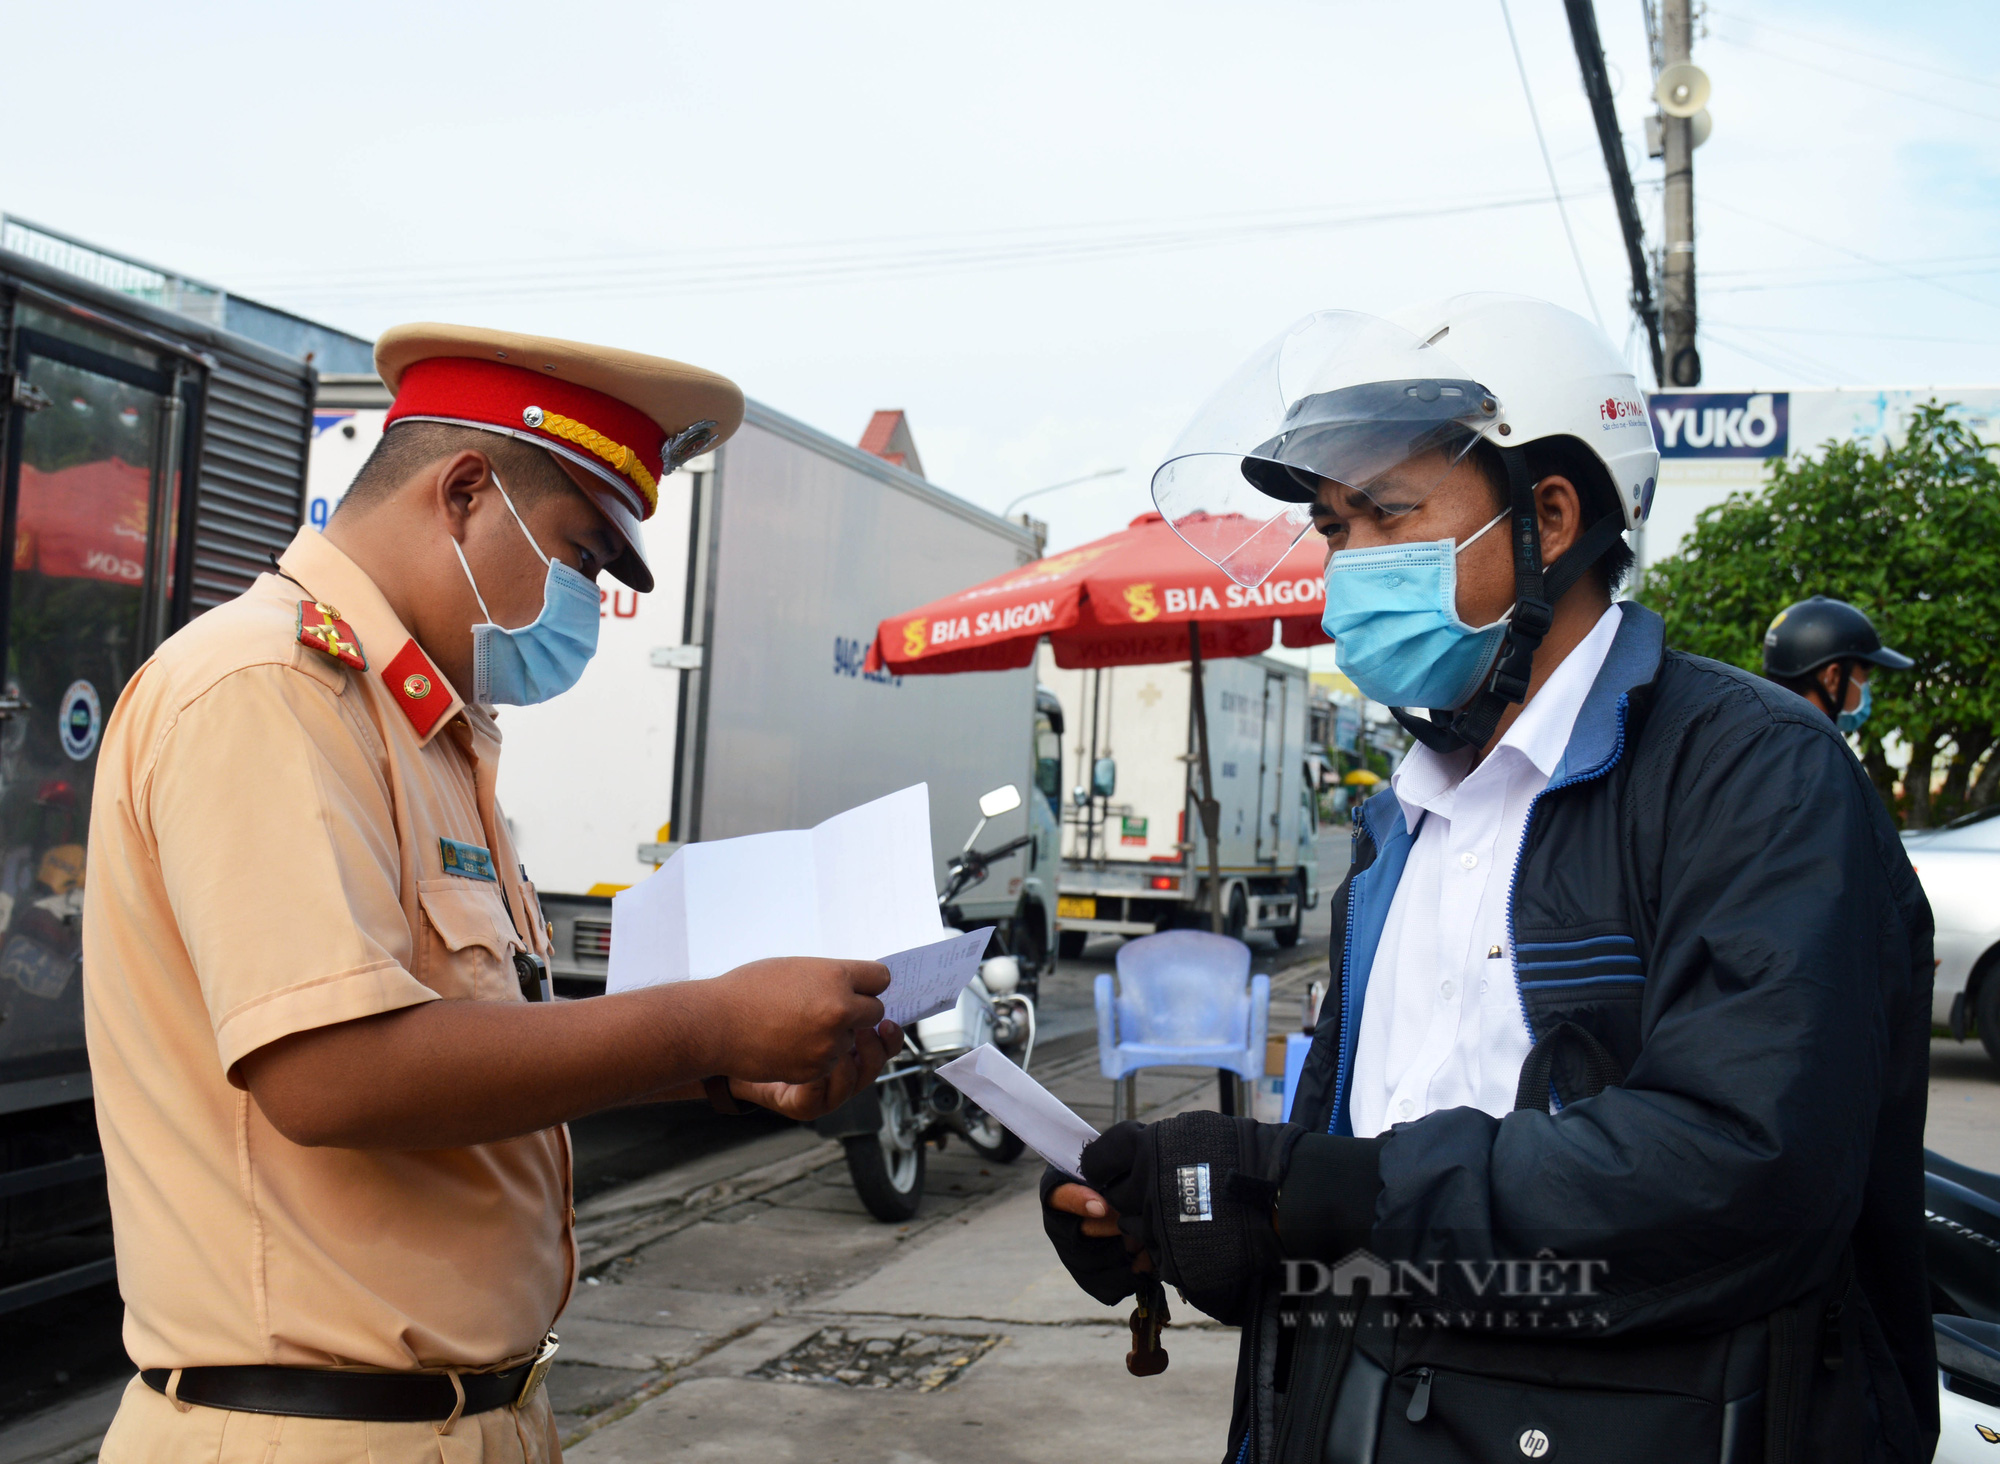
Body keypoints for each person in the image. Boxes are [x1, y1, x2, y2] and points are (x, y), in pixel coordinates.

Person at [1043, 295, 1935, 1462]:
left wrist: (1311, 1191)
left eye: (1387, 515)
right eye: (1332, 525)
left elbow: (1740, 1171)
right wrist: (1202, 1226)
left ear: (1549, 516)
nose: (1344, 566)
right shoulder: (1400, 818)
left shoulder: (1753, 776)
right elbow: (1382, 1196)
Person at [83, 324, 902, 1464]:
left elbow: (464, 1057)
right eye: (576, 556)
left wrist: (708, 1066)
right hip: (304, 1434)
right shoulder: (268, 689)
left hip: (460, 1422)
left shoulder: (423, 726)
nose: (581, 612)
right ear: (463, 491)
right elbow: (334, 1077)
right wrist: (709, 1015)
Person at [1762, 594, 1912, 733]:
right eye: (1865, 676)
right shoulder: (1821, 755)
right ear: (1833, 677)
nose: (1867, 689)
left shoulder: (1757, 738)